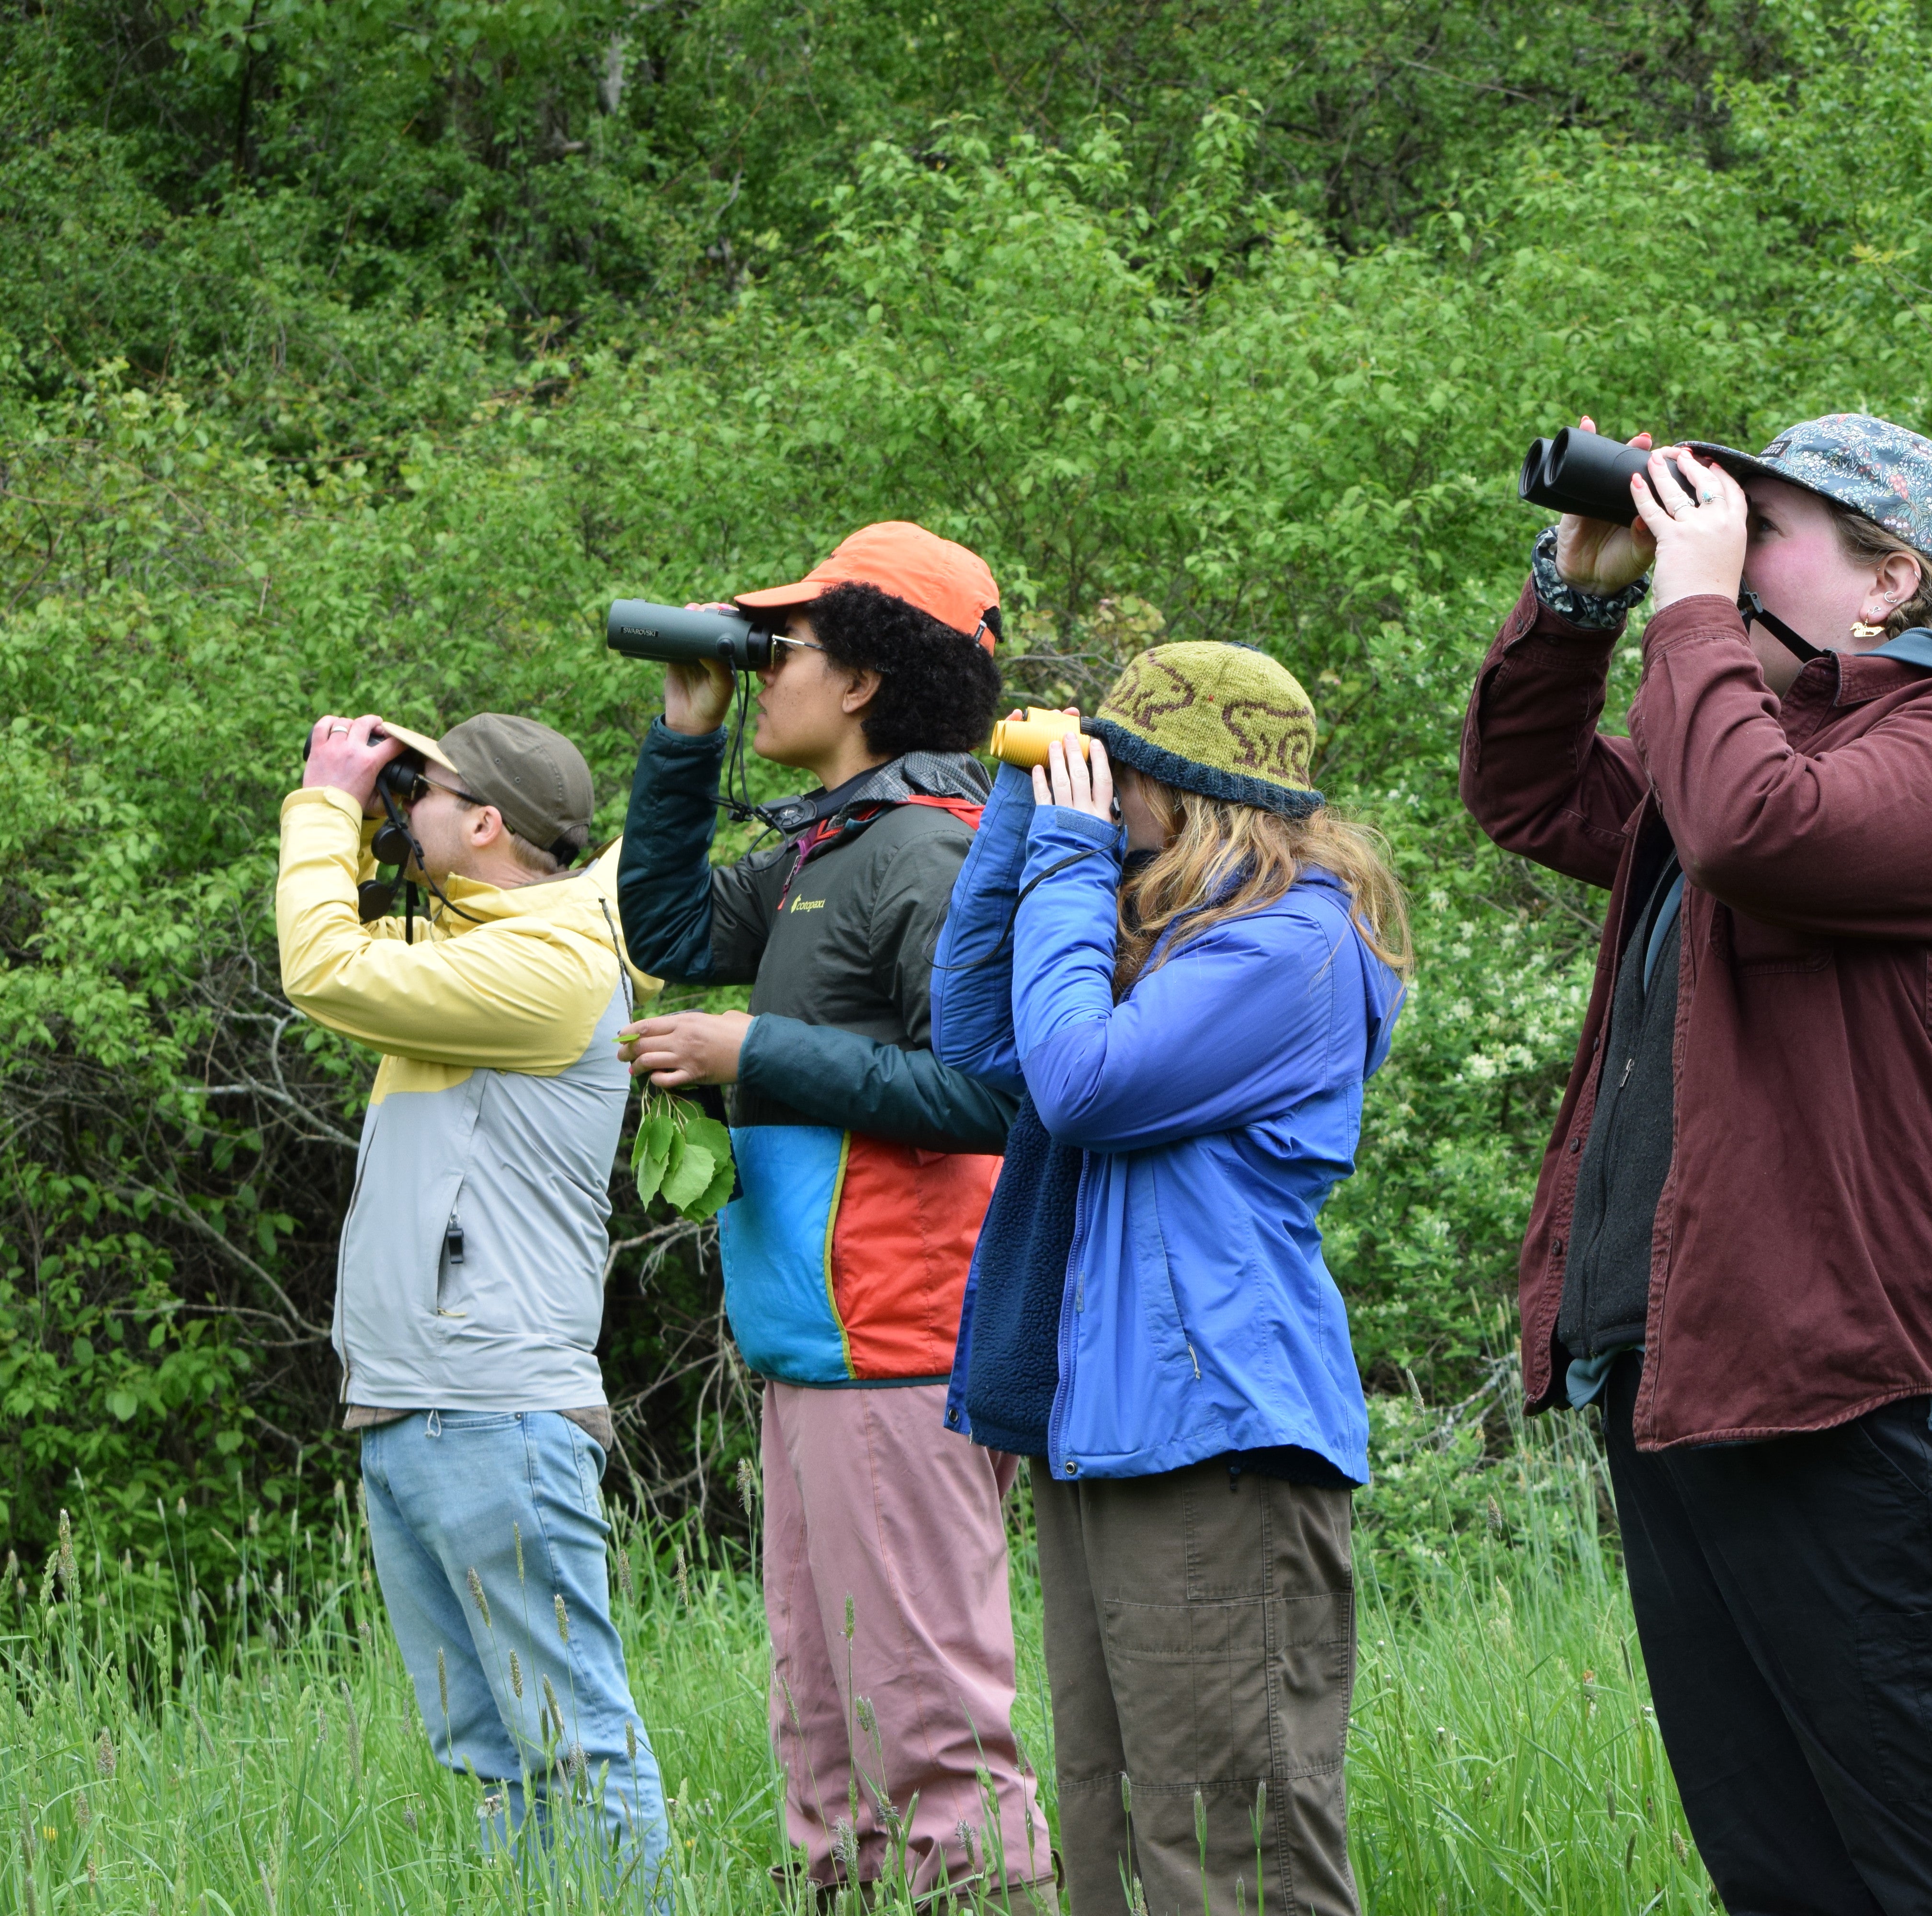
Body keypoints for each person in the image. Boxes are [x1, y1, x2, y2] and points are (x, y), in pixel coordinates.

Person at [1459, 416, 1932, 1914]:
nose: (1728, 542)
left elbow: (1756, 827)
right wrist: (1581, 593)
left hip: (1876, 1401)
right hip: (1698, 1383)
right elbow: (1531, 793)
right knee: (1788, 1882)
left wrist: (1686, 605)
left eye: (1770, 525)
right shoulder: (1731, 749)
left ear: (1891, 581)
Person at [929, 642, 1408, 1916]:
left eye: (1120, 765)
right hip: (1113, 1429)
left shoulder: (1285, 950)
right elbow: (982, 1041)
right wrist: (1021, 829)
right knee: (1108, 1820)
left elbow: (1080, 1087)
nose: (1105, 785)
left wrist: (1073, 861)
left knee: (1230, 1843)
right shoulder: (1165, 932)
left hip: (1217, 1433)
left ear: (1190, 791)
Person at [611, 523, 1051, 1908]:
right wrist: (691, 730)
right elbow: (669, 926)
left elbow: (999, 1092)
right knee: (823, 1735)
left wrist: (757, 1058)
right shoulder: (830, 849)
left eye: (780, 646)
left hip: (903, 1337)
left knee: (927, 1730)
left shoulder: (930, 854)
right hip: (818, 1344)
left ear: (863, 679)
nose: (764, 667)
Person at [276, 710, 669, 1888]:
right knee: (495, 1751)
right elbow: (419, 906)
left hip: (490, 1404)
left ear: (489, 822)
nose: (406, 809)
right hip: (418, 1403)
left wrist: (325, 805)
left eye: (427, 791)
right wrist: (393, 788)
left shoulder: (550, 967)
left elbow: (323, 966)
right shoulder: (492, 936)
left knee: (574, 1741)